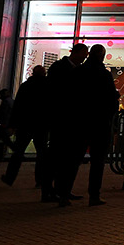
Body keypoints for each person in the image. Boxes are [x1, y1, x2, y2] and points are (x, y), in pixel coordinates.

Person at [47, 43, 90, 204]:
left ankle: (62, 190)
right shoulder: (60, 68)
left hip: (69, 120)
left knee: (67, 158)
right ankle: (54, 191)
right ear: (77, 53)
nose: (85, 57)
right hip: (62, 120)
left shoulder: (72, 69)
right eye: (84, 54)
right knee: (60, 157)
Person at [77, 44, 120, 204]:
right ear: (102, 55)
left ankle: (64, 191)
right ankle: (94, 194)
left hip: (81, 120)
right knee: (98, 161)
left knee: (74, 158)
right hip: (100, 122)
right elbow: (111, 99)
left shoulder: (79, 72)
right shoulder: (104, 74)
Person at [1, 66, 51, 193]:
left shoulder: (25, 86)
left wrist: (13, 124)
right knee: (42, 153)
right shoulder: (47, 86)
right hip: (41, 124)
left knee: (18, 152)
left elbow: (18, 106)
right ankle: (40, 180)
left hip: (25, 124)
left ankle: (9, 177)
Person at [0, 88, 14, 164]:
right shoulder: (11, 101)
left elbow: (3, 113)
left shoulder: (6, 102)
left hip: (4, 124)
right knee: (6, 141)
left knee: (3, 140)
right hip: (7, 124)